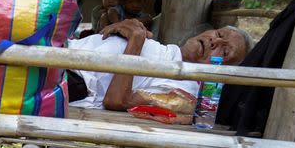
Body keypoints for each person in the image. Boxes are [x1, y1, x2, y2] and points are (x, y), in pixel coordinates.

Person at [68, 19, 254, 111]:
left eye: (224, 52)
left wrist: (135, 41)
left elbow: (117, 101)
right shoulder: (166, 51)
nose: (214, 42)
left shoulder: (184, 92)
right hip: (64, 51)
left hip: (69, 80)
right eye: (219, 34)